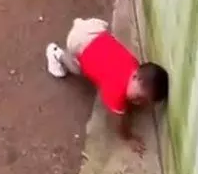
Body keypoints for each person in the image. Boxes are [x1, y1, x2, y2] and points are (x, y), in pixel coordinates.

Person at [46, 17, 169, 154]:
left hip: (95, 29)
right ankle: (57, 53)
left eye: (142, 101)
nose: (137, 102)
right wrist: (127, 138)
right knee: (77, 69)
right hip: (77, 41)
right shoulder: (116, 92)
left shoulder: (134, 64)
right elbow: (117, 120)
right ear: (135, 76)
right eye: (139, 98)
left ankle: (78, 26)